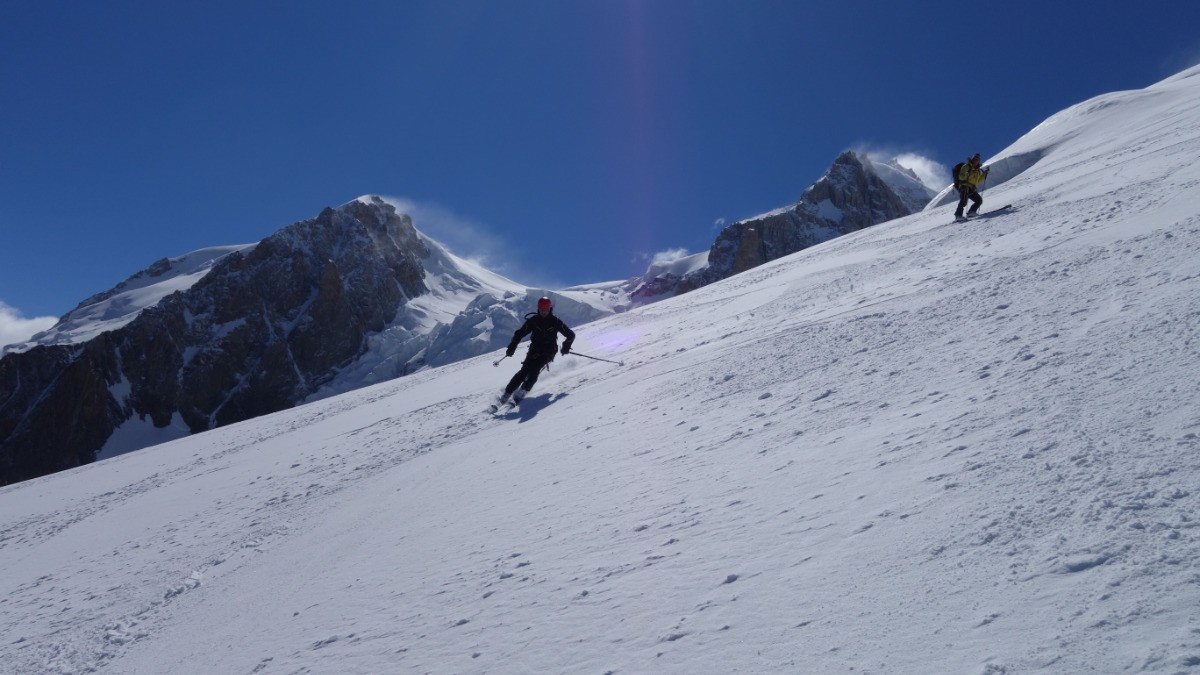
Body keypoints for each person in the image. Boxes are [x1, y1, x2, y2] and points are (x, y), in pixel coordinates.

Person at [497, 296, 575, 407]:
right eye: (542, 309)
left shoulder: (555, 321)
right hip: (534, 349)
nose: (544, 312)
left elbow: (570, 335)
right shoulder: (533, 321)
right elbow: (519, 334)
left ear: (550, 309)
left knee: (535, 369)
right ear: (538, 309)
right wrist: (512, 346)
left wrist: (566, 346)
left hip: (549, 351)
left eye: (546, 309)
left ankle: (521, 393)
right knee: (523, 371)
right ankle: (506, 394)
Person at [955, 153, 990, 221]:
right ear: (972, 159)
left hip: (972, 188)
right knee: (963, 202)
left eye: (977, 159)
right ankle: (958, 216)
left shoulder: (977, 171)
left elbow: (978, 181)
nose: (975, 160)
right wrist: (965, 174)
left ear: (979, 161)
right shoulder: (966, 166)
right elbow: (961, 176)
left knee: (978, 200)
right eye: (974, 159)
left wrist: (985, 173)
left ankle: (971, 212)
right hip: (964, 186)